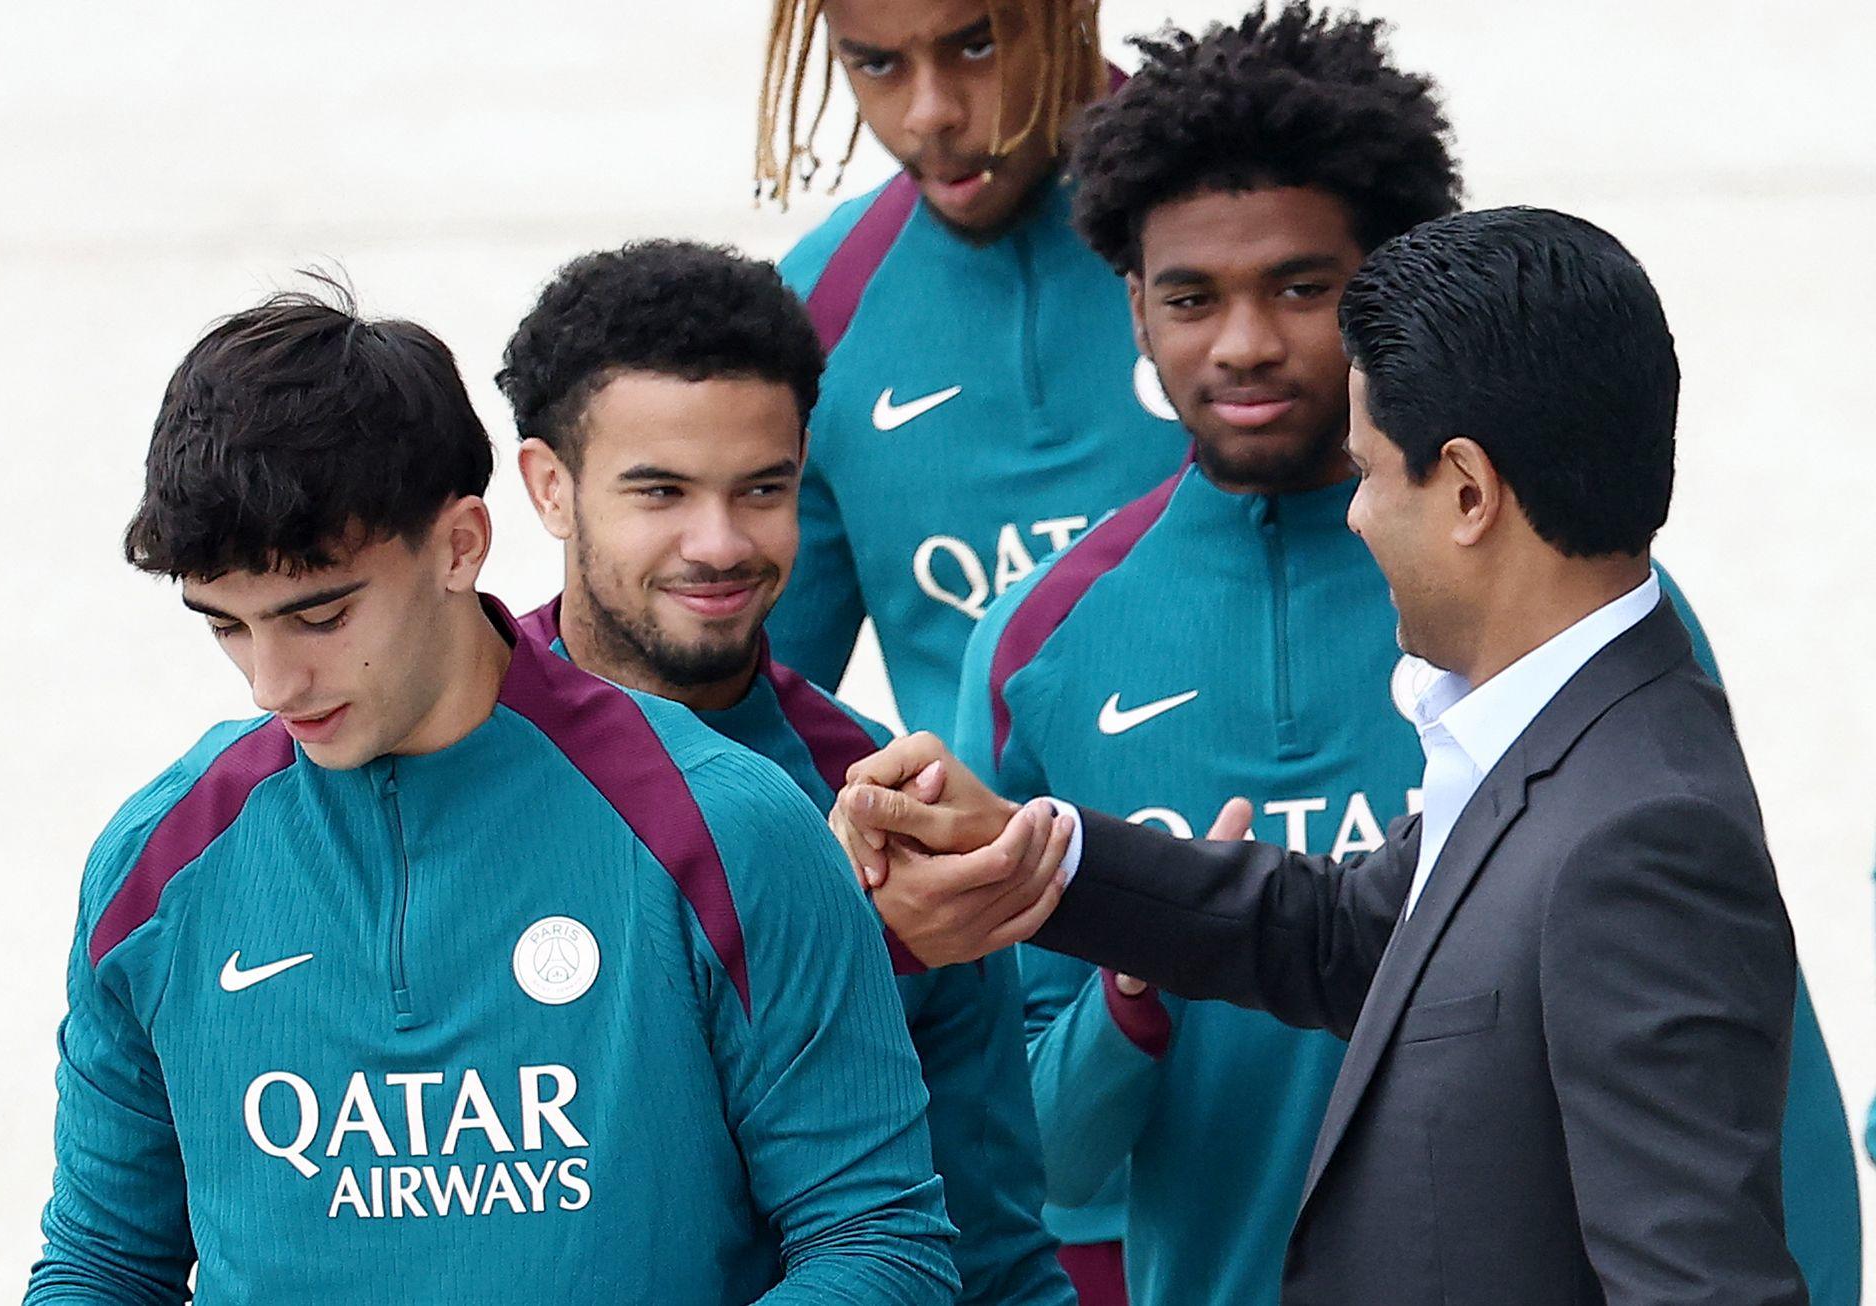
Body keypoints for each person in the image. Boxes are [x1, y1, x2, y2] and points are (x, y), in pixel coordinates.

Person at [950, 9, 1862, 1303]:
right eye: (1193, 295)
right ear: (1135, 307)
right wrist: (1093, 924)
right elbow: (1323, 938)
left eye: (1303, 287)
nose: (1247, 342)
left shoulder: (1601, 693)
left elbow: (1744, 1123)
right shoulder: (1039, 643)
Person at [24, 285, 960, 1303]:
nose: (271, 683)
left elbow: (877, 1241)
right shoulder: (155, 866)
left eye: (321, 615)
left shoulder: (731, 828)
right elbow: (103, 1263)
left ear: (461, 542)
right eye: (227, 627)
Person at [494, 238, 1076, 1305]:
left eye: (760, 488)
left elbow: (989, 1245)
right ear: (549, 486)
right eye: (660, 492)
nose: (717, 544)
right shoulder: (430, 758)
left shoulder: (891, 801)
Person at [756, 0, 1187, 747]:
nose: (931, 114)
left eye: (977, 46)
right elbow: (751, 723)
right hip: (993, 864)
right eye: (877, 63)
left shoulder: (1281, 245)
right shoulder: (816, 315)